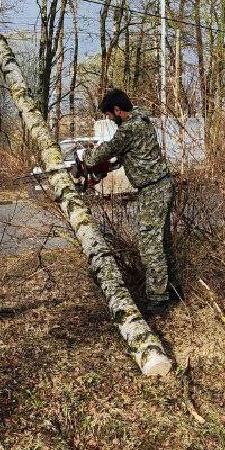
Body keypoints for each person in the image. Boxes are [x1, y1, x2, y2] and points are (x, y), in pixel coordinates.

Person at [82, 88, 177, 316]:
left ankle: (158, 301)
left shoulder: (128, 129)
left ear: (117, 110)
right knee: (162, 243)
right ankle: (173, 290)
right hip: (162, 185)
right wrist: (113, 165)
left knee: (150, 246)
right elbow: (133, 154)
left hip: (153, 190)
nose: (108, 119)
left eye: (108, 114)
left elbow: (101, 154)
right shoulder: (141, 119)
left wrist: (85, 156)